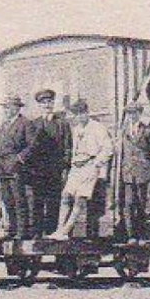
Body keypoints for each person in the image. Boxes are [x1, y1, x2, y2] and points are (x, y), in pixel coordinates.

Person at [49, 99, 113, 239]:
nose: (79, 117)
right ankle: (59, 229)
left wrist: (97, 163)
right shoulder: (76, 129)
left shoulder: (98, 128)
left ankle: (66, 230)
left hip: (89, 166)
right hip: (76, 167)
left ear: (87, 113)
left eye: (82, 113)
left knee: (80, 199)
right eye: (76, 114)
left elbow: (108, 149)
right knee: (66, 196)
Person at [23, 88, 71, 238]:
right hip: (37, 170)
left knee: (53, 201)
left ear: (53, 104)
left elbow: (68, 147)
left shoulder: (62, 124)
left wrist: (65, 167)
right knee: (37, 202)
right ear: (39, 105)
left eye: (49, 102)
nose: (47, 105)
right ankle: (37, 232)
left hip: (55, 169)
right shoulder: (33, 124)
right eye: (44, 103)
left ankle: (51, 232)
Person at [117, 100, 150, 240]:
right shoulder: (123, 131)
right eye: (129, 113)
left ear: (140, 114)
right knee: (128, 203)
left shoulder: (147, 130)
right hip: (128, 171)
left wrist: (145, 163)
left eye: (135, 113)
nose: (132, 115)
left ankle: (141, 234)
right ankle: (130, 235)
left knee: (140, 202)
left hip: (142, 172)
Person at [0, 95, 32, 238]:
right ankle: (13, 229)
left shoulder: (25, 123)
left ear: (17, 108)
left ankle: (23, 232)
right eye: (5, 107)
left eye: (8, 107)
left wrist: (19, 158)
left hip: (16, 167)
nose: (6, 110)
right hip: (3, 167)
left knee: (19, 199)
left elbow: (31, 145)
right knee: (7, 199)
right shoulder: (4, 125)